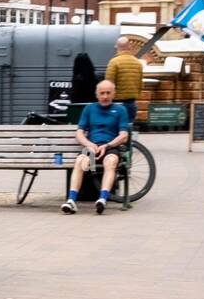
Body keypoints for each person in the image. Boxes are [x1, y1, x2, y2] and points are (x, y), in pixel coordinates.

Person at [62, 80, 130, 216]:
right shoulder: (89, 109)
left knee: (110, 162)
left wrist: (108, 145)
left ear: (114, 94)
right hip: (92, 150)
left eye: (108, 93)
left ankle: (102, 199)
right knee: (81, 161)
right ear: (96, 94)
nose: (105, 96)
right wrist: (89, 145)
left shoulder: (120, 110)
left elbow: (124, 135)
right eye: (102, 93)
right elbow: (79, 133)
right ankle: (71, 201)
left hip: (110, 147)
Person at [103, 37, 144, 129]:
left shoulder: (113, 62)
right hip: (131, 103)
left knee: (114, 129)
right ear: (129, 47)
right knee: (128, 129)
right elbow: (141, 85)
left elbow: (108, 85)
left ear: (117, 47)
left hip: (116, 103)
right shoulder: (137, 63)